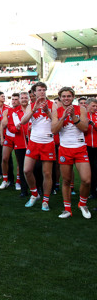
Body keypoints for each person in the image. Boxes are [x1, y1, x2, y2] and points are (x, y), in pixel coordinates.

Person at [51, 87, 91, 219]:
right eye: (63, 96)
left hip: (80, 148)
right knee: (66, 180)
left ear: (73, 97)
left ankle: (82, 203)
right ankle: (67, 209)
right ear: (60, 98)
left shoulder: (82, 109)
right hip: (65, 149)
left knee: (86, 180)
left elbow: (85, 128)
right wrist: (63, 117)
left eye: (68, 96)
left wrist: (73, 116)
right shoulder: (57, 111)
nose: (66, 98)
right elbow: (54, 130)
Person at [18, 82, 55, 211]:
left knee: (47, 173)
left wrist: (47, 111)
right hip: (34, 141)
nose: (42, 92)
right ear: (34, 92)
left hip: (48, 142)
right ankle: (34, 194)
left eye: (44, 90)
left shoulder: (53, 104)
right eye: (39, 90)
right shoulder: (31, 106)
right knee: (27, 170)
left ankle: (45, 200)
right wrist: (34, 110)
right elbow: (23, 121)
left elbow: (56, 122)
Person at [1, 92, 31, 197]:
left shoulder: (31, 109)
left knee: (33, 166)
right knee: (17, 163)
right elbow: (7, 125)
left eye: (24, 98)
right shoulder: (11, 111)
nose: (15, 101)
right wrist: (14, 129)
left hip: (31, 141)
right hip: (17, 140)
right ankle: (19, 187)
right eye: (21, 98)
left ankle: (35, 189)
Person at [85, 98, 97, 198]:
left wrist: (94, 124)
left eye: (96, 106)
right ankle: (92, 192)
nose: (95, 108)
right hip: (87, 147)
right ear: (87, 106)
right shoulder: (84, 116)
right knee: (90, 170)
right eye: (93, 106)